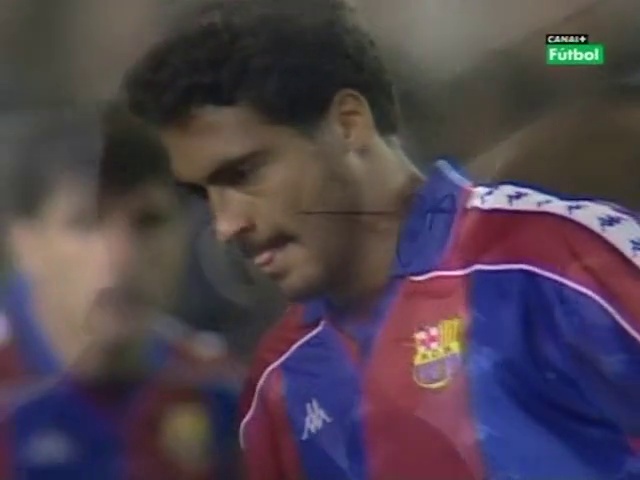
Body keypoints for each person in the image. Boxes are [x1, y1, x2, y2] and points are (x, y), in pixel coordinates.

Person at [123, 0, 640, 478]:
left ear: (349, 124)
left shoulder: (558, 263)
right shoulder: (275, 386)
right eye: (203, 193)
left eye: (244, 173)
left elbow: (582, 46)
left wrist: (581, 44)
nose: (224, 225)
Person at [0, 106, 241, 479]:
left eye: (149, 221)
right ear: (25, 244)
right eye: (86, 223)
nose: (122, 258)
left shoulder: (223, 391)